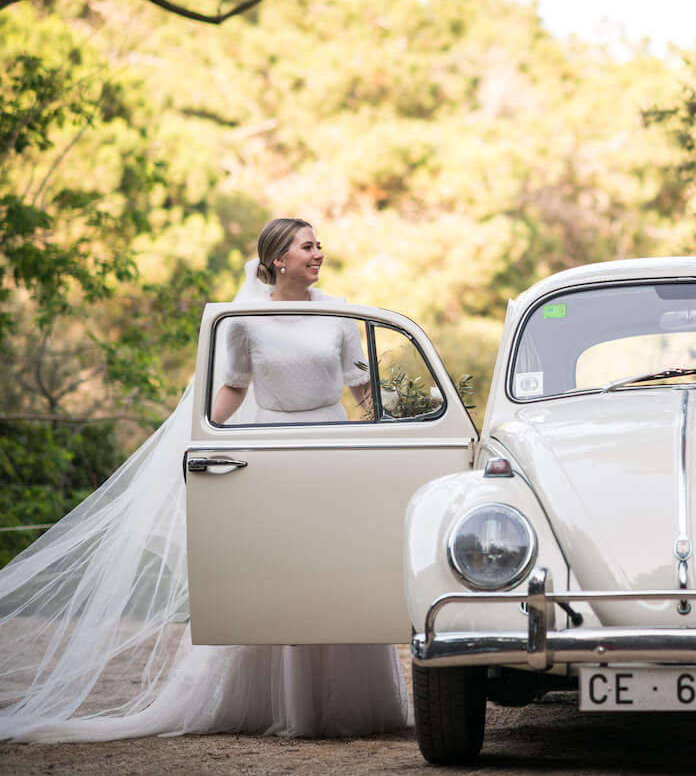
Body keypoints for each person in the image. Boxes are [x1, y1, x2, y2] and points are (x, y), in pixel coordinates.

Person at [0, 218, 409, 742]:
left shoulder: (338, 314)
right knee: (282, 567)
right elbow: (235, 389)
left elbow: (361, 392)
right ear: (278, 259)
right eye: (308, 246)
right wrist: (200, 437)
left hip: (331, 447)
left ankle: (346, 705)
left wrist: (393, 428)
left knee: (334, 562)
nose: (318, 253)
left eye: (319, 245)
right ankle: (278, 704)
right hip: (270, 451)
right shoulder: (244, 320)